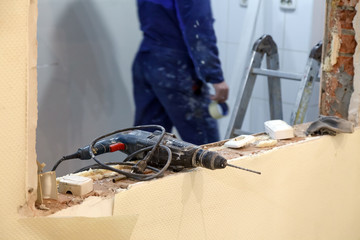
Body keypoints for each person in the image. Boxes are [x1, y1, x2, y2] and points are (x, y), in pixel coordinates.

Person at [132, 0, 229, 145]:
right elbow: (198, 27)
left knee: (146, 144)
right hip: (176, 67)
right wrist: (215, 76)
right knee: (207, 148)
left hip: (147, 59)